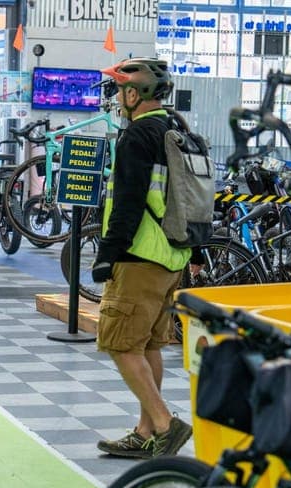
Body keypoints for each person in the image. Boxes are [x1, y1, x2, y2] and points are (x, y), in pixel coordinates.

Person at [90, 57, 194, 459]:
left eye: (120, 91)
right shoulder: (177, 130)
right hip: (171, 257)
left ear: (134, 94)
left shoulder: (137, 136)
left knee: (120, 343)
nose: (118, 99)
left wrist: (106, 254)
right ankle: (146, 431)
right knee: (149, 344)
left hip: (139, 256)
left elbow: (129, 204)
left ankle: (165, 425)